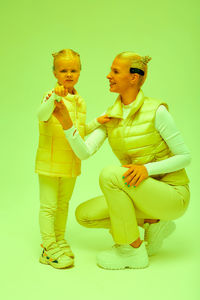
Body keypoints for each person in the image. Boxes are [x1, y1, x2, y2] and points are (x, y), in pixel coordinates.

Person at [53, 51, 191, 270]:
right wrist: (67, 123)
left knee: (110, 175)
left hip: (172, 195)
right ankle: (153, 223)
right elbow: (84, 153)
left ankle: (131, 249)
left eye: (115, 71)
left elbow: (185, 157)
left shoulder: (157, 110)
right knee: (85, 215)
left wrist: (146, 169)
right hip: (141, 193)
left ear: (133, 78)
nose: (108, 75)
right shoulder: (112, 115)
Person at [35, 49, 109, 269]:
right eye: (63, 70)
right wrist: (55, 98)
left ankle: (59, 238)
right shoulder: (51, 96)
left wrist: (98, 121)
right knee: (48, 206)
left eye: (73, 70)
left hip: (70, 162)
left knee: (63, 204)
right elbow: (41, 115)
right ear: (55, 73)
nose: (68, 74)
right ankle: (48, 248)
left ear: (80, 72)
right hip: (49, 162)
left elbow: (80, 131)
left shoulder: (79, 101)